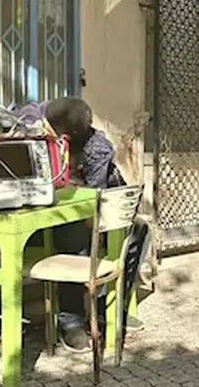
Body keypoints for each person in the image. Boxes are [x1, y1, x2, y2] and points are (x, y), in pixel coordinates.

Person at [18, 96, 128, 351]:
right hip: (48, 214)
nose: (45, 131)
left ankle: (106, 308)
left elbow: (93, 200)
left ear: (67, 137)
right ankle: (73, 320)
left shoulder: (97, 149)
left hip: (100, 213)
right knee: (72, 238)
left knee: (132, 234)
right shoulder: (37, 126)